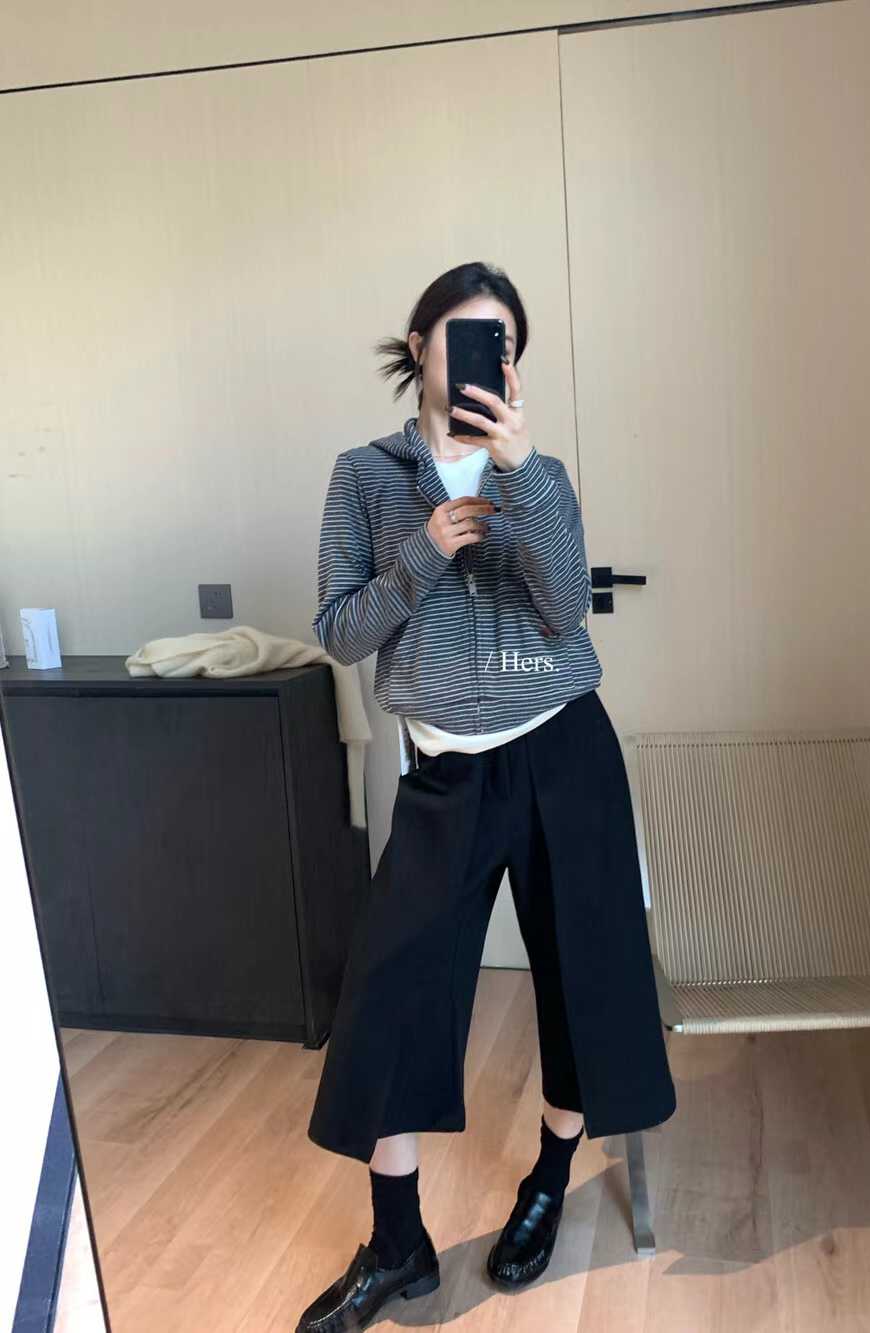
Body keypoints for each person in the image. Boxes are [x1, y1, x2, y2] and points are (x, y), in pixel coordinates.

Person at [296, 261, 676, 1333]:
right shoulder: (364, 476)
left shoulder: (536, 472)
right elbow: (339, 632)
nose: (480, 356)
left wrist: (525, 479)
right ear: (420, 342)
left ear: (512, 366)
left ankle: (548, 1179)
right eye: (464, 334)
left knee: (580, 978)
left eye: (501, 343)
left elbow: (566, 609)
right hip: (444, 770)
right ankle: (397, 1243)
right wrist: (422, 554)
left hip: (563, 754)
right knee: (390, 997)